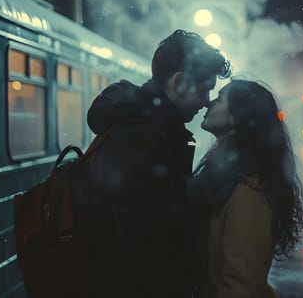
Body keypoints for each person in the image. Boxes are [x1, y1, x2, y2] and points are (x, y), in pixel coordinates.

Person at [79, 29, 231, 297]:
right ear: (179, 81)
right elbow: (145, 249)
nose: (207, 102)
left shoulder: (147, 129)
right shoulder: (144, 140)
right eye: (205, 89)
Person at [187, 79, 303, 297]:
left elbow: (242, 286)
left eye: (221, 98)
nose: (209, 104)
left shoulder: (248, 190)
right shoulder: (226, 173)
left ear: (238, 116)